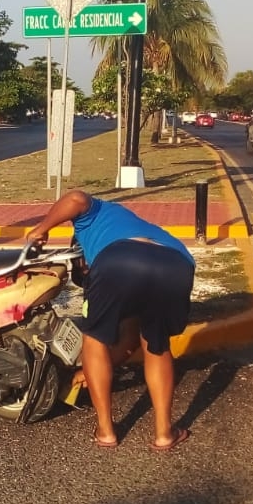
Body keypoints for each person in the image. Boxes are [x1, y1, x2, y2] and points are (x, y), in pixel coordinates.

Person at [25, 189, 196, 451]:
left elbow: (75, 199)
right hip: (177, 264)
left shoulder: (93, 217)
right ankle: (164, 434)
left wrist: (42, 228)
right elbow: (129, 339)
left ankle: (106, 431)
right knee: (156, 345)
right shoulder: (134, 224)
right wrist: (85, 374)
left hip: (120, 260)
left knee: (93, 337)